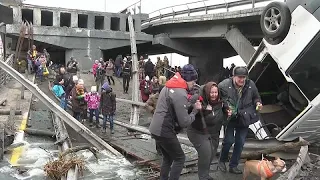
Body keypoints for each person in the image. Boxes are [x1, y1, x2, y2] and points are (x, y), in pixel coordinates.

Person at [149, 64, 202, 180]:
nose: (193, 85)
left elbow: (176, 106)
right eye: (193, 82)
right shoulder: (180, 92)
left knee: (168, 158)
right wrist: (195, 111)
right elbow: (184, 122)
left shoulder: (169, 85)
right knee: (180, 158)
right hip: (165, 130)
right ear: (187, 80)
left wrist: (190, 101)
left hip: (155, 128)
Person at [217, 66, 263, 174]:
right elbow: (218, 99)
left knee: (240, 142)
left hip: (244, 116)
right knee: (228, 141)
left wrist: (258, 103)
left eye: (244, 77)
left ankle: (233, 165)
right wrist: (226, 108)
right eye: (239, 77)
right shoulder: (223, 85)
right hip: (230, 116)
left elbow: (256, 96)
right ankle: (222, 160)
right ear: (233, 77)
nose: (242, 80)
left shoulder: (251, 84)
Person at [187, 82, 232, 180]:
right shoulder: (198, 98)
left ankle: (206, 174)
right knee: (206, 154)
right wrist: (200, 109)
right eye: (212, 92)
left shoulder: (221, 101)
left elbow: (222, 116)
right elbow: (187, 110)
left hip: (214, 132)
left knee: (211, 154)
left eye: (216, 92)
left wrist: (227, 113)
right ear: (207, 92)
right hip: (198, 131)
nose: (214, 95)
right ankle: (203, 177)